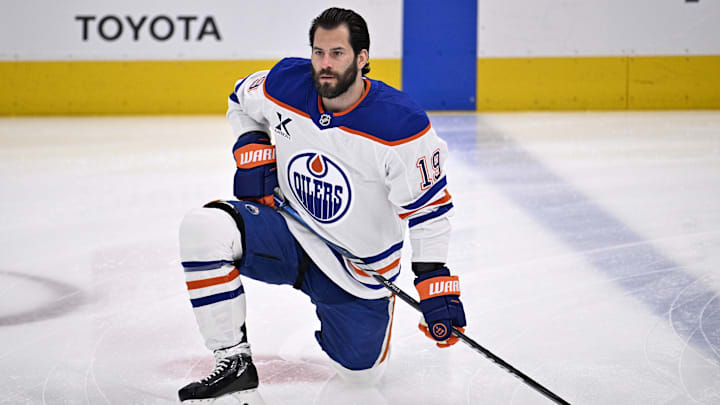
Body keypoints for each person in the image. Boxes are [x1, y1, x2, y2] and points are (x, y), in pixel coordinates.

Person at [177, 7, 466, 404]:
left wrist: (433, 279)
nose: (325, 64)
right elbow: (239, 99)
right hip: (290, 233)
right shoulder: (285, 84)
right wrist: (252, 145)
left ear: (362, 58)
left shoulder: (400, 126)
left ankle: (358, 333)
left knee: (360, 378)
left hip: (356, 271)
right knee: (203, 229)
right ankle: (234, 361)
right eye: (318, 52)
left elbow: (429, 209)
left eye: (337, 53)